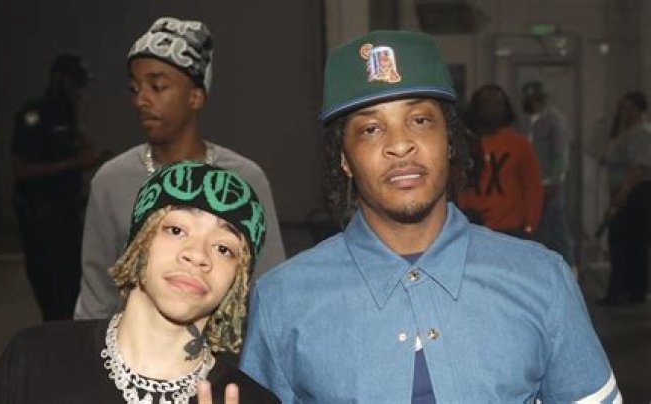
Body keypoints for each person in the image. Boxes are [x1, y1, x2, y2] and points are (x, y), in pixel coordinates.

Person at [240, 30, 620, 402]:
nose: (400, 144)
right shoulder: (282, 300)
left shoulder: (542, 280)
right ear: (344, 159)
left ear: (450, 140)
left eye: (420, 120)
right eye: (371, 129)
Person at [0, 161, 280, 403]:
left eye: (223, 248)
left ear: (238, 279)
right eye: (176, 230)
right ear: (139, 241)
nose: (197, 255)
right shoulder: (34, 360)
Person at [74, 17, 286, 320]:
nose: (141, 100)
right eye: (135, 89)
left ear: (195, 96)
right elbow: (97, 295)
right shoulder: (111, 180)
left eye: (157, 87)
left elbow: (269, 287)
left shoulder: (243, 180)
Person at [11, 53, 97, 321]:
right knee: (53, 293)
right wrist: (73, 164)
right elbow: (21, 169)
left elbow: (82, 150)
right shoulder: (34, 115)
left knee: (73, 290)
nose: (79, 91)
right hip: (42, 217)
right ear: (61, 80)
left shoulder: (69, 115)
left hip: (69, 215)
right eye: (75, 84)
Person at [457, 84, 543, 238]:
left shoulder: (519, 145)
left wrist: (530, 225)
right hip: (471, 226)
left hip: (511, 227)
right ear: (476, 106)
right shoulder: (463, 144)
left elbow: (533, 187)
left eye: (498, 103)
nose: (492, 108)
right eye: (486, 102)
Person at [598, 91, 651, 306]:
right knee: (624, 242)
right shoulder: (626, 133)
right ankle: (626, 289)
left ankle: (628, 291)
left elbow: (639, 168)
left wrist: (622, 195)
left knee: (627, 243)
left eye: (629, 108)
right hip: (625, 192)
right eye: (623, 108)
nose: (624, 113)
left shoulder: (640, 133)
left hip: (634, 193)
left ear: (639, 110)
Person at [520, 80, 575, 266]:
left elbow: (560, 155)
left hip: (550, 185)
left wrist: (555, 181)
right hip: (531, 186)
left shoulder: (555, 120)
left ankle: (569, 267)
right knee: (536, 229)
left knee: (556, 227)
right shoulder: (526, 121)